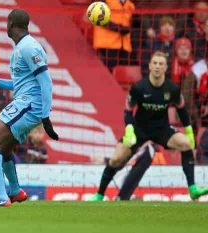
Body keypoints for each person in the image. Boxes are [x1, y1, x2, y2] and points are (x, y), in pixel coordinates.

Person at [88, 51, 208, 201]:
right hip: (139, 129)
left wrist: (189, 132)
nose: (157, 66)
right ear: (150, 66)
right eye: (155, 63)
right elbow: (128, 112)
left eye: (161, 64)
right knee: (115, 160)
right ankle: (99, 194)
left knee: (185, 144)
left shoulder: (173, 89)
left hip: (161, 129)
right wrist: (130, 130)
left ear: (165, 68)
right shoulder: (138, 88)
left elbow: (182, 110)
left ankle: (192, 189)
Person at [0, 9, 58, 207]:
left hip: (29, 105)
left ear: (10, 24)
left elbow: (46, 82)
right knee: (3, 147)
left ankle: (2, 197)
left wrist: (45, 116)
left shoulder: (29, 48)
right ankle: (14, 191)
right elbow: (20, 83)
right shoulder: (23, 47)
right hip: (26, 102)